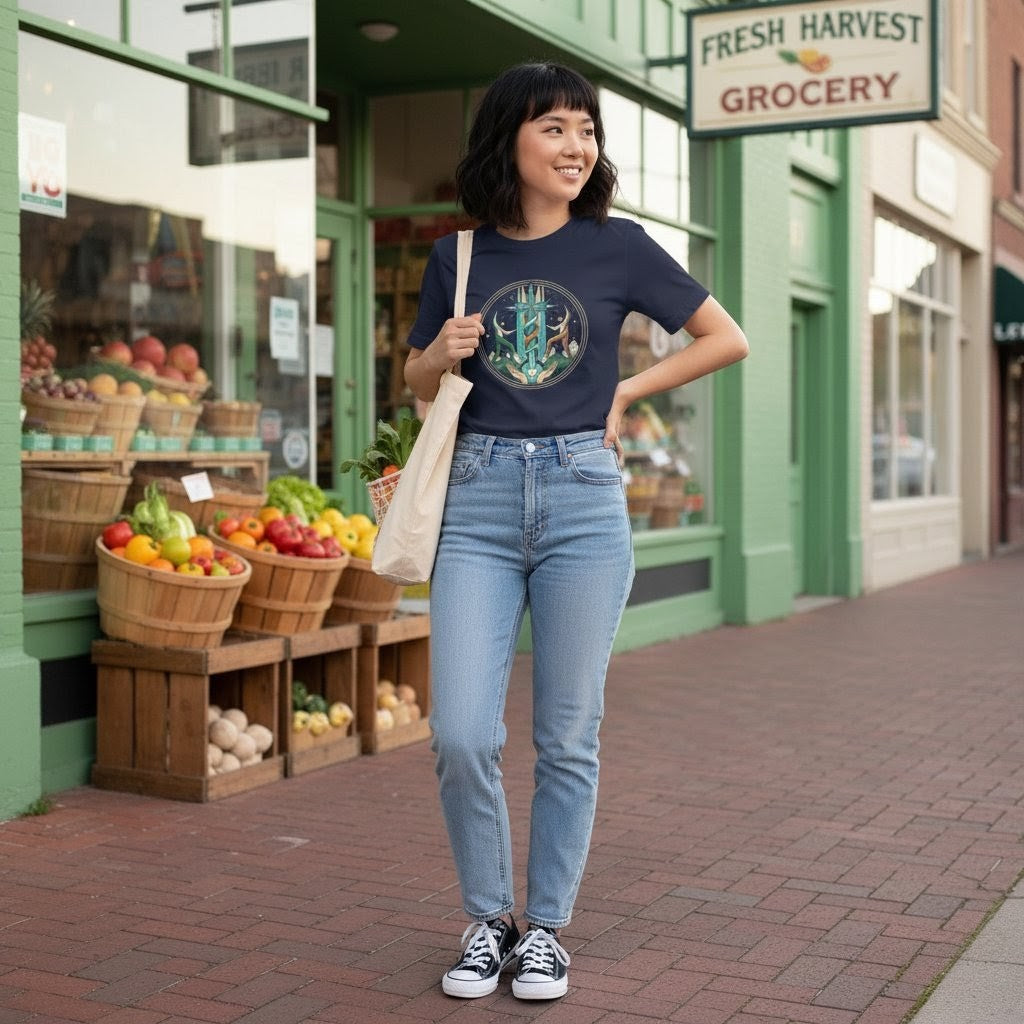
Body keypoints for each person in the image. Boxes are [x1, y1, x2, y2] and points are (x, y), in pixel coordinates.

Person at [403, 61, 748, 1002]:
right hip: (474, 502)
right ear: (508, 138)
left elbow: (727, 337)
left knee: (567, 733)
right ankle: (488, 917)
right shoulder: (457, 255)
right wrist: (438, 353)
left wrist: (625, 391)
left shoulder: (620, 247)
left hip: (583, 499)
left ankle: (544, 928)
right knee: (464, 732)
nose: (577, 145)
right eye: (554, 127)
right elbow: (417, 383)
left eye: (586, 129)